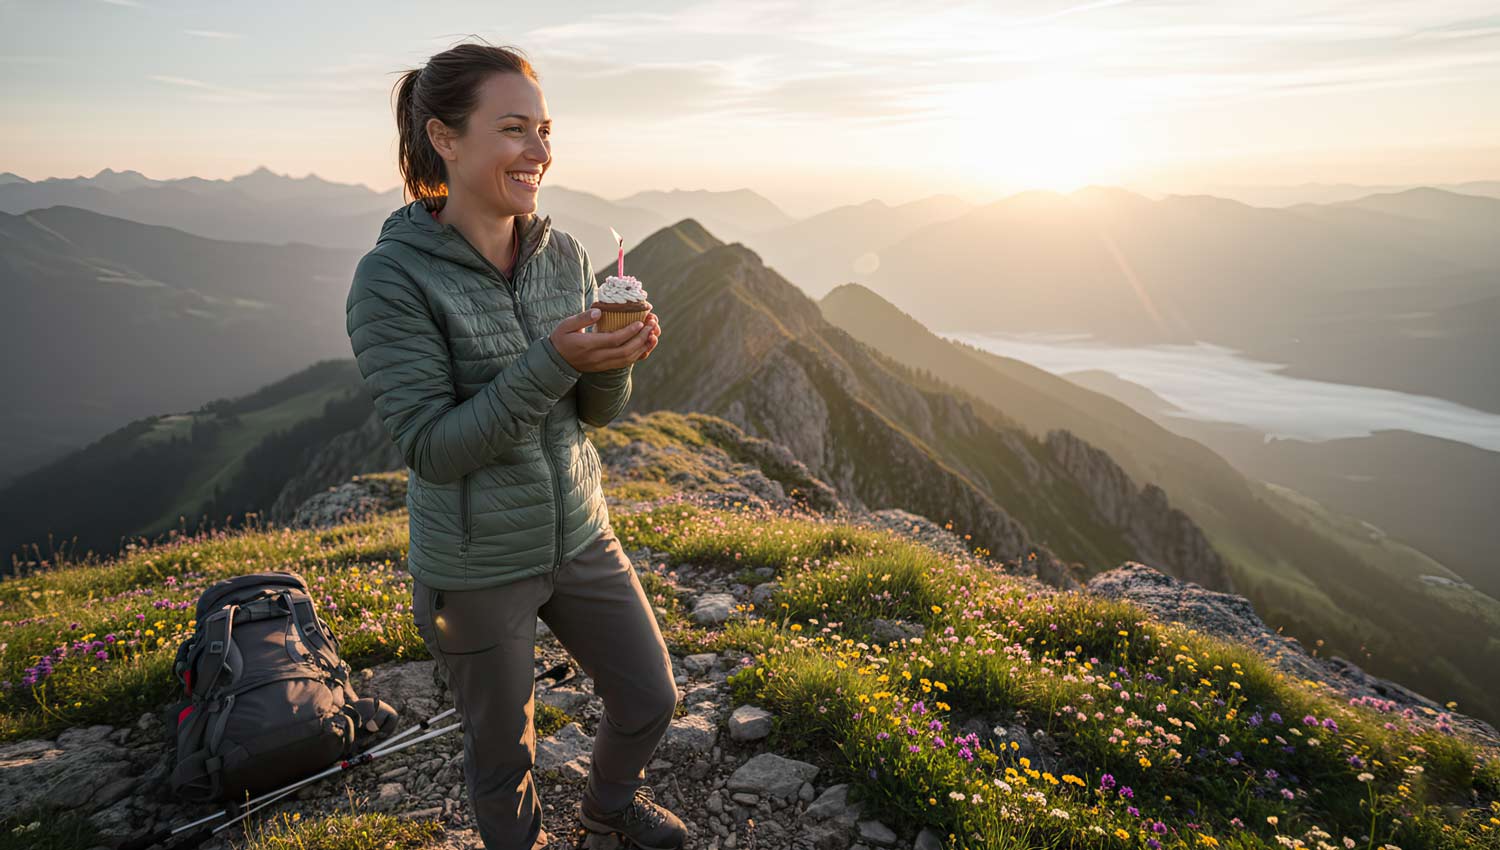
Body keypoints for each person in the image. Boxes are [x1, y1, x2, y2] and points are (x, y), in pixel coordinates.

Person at [345, 40, 685, 850]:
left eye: (544, 129)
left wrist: (615, 358)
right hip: (476, 561)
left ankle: (605, 815)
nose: (540, 152)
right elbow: (432, 448)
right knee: (502, 752)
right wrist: (553, 361)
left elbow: (591, 414)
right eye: (513, 130)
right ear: (445, 139)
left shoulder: (561, 254)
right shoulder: (392, 279)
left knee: (650, 697)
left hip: (579, 527)